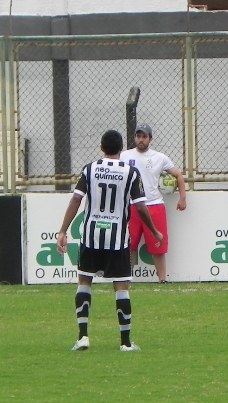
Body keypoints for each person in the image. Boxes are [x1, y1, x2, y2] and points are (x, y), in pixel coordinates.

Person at [57, 129, 163, 352]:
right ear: (121, 149)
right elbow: (141, 207)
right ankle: (125, 342)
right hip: (117, 238)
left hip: (91, 236)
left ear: (101, 148)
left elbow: (76, 200)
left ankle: (83, 337)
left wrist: (63, 230)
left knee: (84, 282)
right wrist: (153, 230)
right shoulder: (130, 172)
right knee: (121, 286)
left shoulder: (90, 169)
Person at [120, 123, 187, 283]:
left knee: (158, 246)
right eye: (138, 136)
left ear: (150, 139)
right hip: (132, 206)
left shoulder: (159, 157)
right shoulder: (125, 156)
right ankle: (124, 277)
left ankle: (162, 279)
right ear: (134, 138)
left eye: (144, 137)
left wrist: (182, 197)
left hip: (154, 205)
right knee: (128, 243)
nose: (141, 140)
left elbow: (178, 175)